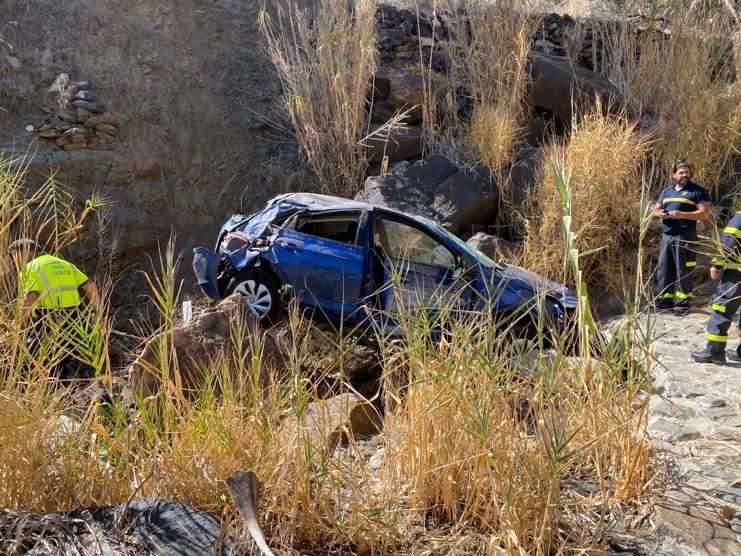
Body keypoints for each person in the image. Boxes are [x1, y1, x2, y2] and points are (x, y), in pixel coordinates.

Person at [9, 238, 100, 379]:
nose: (15, 262)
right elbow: (91, 287)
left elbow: (31, 297)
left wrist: (17, 325)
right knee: (69, 356)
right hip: (75, 319)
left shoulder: (30, 267)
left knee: (28, 358)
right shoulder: (65, 264)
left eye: (14, 256)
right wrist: (97, 312)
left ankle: (46, 392)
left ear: (25, 253)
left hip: (48, 319)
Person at [652, 162, 711, 315]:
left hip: (685, 236)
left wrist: (682, 214)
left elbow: (704, 213)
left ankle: (682, 305)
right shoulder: (667, 191)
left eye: (687, 173)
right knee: (664, 271)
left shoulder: (697, 191)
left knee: (683, 270)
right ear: (674, 175)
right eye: (681, 173)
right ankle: (665, 303)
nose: (684, 175)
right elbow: (654, 212)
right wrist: (661, 214)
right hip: (667, 235)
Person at [691, 210, 741, 364]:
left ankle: (714, 351)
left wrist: (717, 263)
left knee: (722, 309)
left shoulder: (740, 217)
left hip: (736, 274)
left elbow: (729, 241)